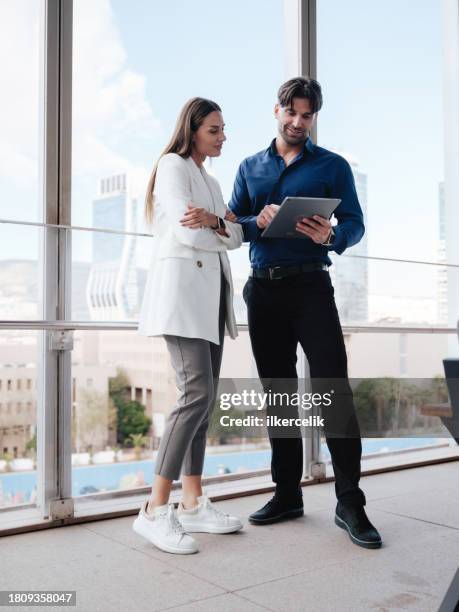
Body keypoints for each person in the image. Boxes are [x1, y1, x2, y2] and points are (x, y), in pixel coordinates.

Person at [228, 77, 382, 549]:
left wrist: (330, 236)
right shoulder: (249, 166)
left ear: (315, 116)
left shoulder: (332, 166)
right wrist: (260, 221)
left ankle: (350, 503)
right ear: (276, 110)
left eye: (306, 115)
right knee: (280, 395)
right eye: (290, 112)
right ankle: (287, 493)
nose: (297, 122)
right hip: (264, 291)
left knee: (332, 390)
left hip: (312, 286)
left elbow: (354, 222)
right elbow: (233, 225)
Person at [134, 97, 244, 555]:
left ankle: (194, 500)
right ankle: (155, 510)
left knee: (204, 400)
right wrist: (218, 227)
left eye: (223, 130)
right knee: (194, 395)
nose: (222, 137)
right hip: (182, 298)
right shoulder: (172, 166)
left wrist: (217, 221)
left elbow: (236, 236)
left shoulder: (212, 181)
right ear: (193, 129)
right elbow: (187, 232)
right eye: (214, 130)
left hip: (211, 300)